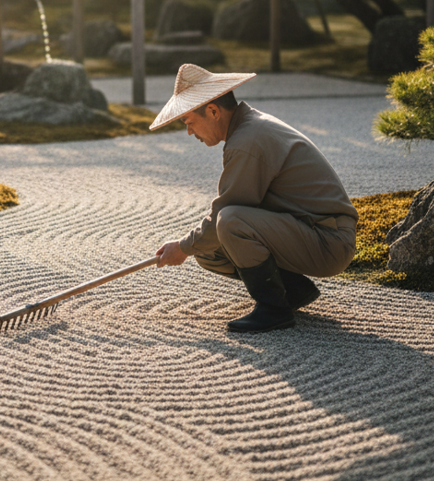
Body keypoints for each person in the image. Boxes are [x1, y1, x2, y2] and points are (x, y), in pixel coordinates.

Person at [151, 64, 358, 333]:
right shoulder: (249, 126)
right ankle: (292, 291)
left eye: (189, 122)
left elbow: (226, 213)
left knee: (230, 222)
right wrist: (190, 246)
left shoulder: (247, 140)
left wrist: (182, 247)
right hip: (310, 230)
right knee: (208, 249)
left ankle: (274, 310)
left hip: (328, 241)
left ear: (213, 111)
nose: (189, 132)